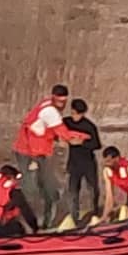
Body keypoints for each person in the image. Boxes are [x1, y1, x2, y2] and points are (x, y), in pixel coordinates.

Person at [13, 84, 88, 228]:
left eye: (64, 102)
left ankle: (48, 216)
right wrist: (78, 139)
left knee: (45, 183)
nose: (62, 105)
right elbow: (62, 133)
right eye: (60, 102)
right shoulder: (49, 111)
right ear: (53, 98)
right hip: (29, 153)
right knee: (31, 187)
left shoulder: (46, 106)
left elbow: (51, 131)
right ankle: (31, 220)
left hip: (38, 152)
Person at [63, 98, 102, 223]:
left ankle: (95, 213)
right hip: (73, 162)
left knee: (93, 189)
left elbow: (97, 145)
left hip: (88, 162)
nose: (77, 117)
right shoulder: (66, 122)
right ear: (72, 111)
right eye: (75, 114)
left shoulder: (89, 126)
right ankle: (74, 217)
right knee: (73, 191)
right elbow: (54, 131)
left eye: (80, 114)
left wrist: (82, 142)